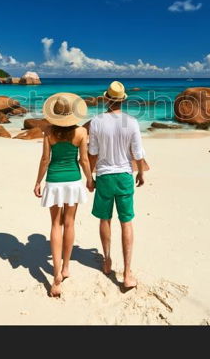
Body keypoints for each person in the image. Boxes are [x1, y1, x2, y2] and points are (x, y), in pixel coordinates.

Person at [34, 93, 94, 297]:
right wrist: (89, 179)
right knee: (69, 223)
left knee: (54, 225)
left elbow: (44, 159)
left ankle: (56, 273)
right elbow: (84, 160)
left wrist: (37, 182)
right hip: (73, 181)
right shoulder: (81, 132)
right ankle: (66, 267)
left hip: (54, 180)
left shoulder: (49, 132)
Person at [88, 81, 145, 290]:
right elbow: (138, 153)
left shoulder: (96, 121)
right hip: (124, 176)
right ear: (123, 100)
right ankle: (127, 274)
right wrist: (140, 173)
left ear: (106, 99)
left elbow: (92, 153)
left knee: (105, 219)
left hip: (104, 176)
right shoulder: (131, 122)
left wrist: (89, 177)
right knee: (126, 222)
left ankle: (107, 260)